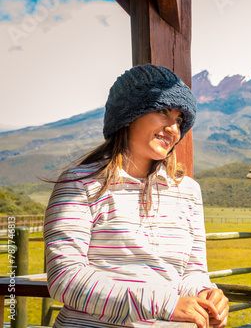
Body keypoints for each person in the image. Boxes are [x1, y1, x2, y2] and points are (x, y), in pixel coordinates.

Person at [43, 64, 229, 328]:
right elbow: (66, 279)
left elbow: (191, 272)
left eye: (179, 120)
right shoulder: (79, 184)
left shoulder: (188, 191)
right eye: (163, 111)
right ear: (128, 115)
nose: (174, 128)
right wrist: (166, 304)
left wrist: (205, 294)